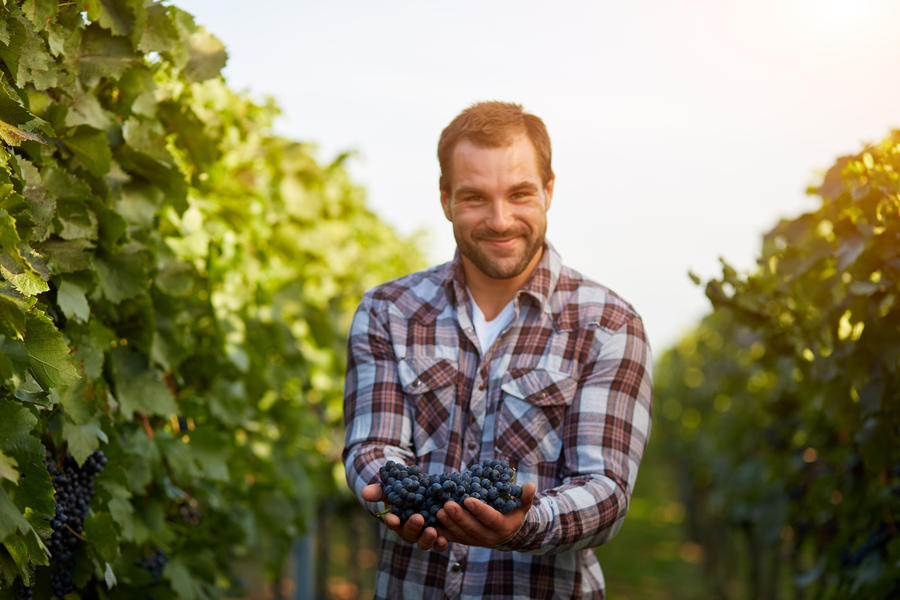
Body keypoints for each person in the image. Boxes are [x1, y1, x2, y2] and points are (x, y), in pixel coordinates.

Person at [342, 101, 653, 599]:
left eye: (520, 194)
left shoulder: (608, 325)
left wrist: (526, 523)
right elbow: (371, 445)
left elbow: (605, 489)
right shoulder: (387, 312)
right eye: (474, 198)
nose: (500, 219)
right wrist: (396, 498)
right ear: (445, 199)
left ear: (549, 190)